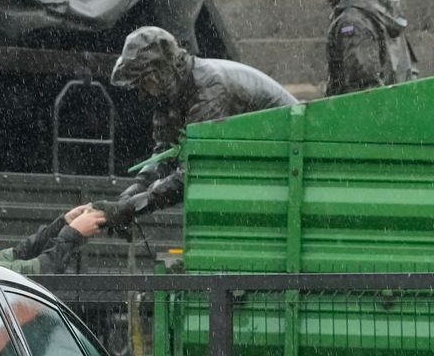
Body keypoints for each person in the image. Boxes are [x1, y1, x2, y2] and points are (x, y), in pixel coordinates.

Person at [106, 26, 297, 221]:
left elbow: (195, 170)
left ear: (162, 72)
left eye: (144, 82)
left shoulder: (209, 88)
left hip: (286, 163)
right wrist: (134, 190)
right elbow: (166, 151)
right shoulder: (173, 90)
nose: (142, 93)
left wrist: (136, 206)